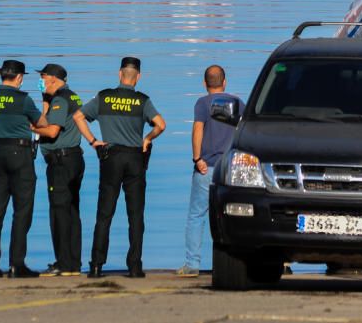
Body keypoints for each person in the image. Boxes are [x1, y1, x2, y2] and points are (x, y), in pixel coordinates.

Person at [74, 57, 165, 278]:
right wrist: (147, 138)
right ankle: (134, 266)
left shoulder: (104, 97)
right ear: (138, 77)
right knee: (135, 215)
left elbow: (78, 116)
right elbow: (161, 124)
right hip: (134, 158)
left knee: (104, 214)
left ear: (119, 74)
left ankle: (96, 266)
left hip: (110, 157)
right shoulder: (142, 101)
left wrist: (93, 141)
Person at [176, 65, 244, 277]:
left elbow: (198, 130)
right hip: (230, 170)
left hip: (206, 169)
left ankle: (192, 265)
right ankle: (236, 261)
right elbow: (243, 132)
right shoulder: (237, 103)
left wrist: (198, 159)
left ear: (205, 84)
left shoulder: (202, 103)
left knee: (197, 216)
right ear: (225, 82)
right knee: (234, 216)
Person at [0, 59, 47, 278]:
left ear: (1, 75)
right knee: (22, 211)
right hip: (19, 154)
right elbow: (43, 123)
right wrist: (45, 100)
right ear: (19, 77)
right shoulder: (23, 99)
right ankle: (16, 264)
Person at [32, 63, 84, 277]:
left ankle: (63, 263)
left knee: (59, 212)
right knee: (71, 211)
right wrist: (45, 101)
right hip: (72, 159)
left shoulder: (61, 100)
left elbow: (52, 131)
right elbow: (48, 119)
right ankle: (73, 263)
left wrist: (30, 127)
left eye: (43, 78)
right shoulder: (71, 97)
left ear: (53, 79)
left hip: (61, 161)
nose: (40, 81)